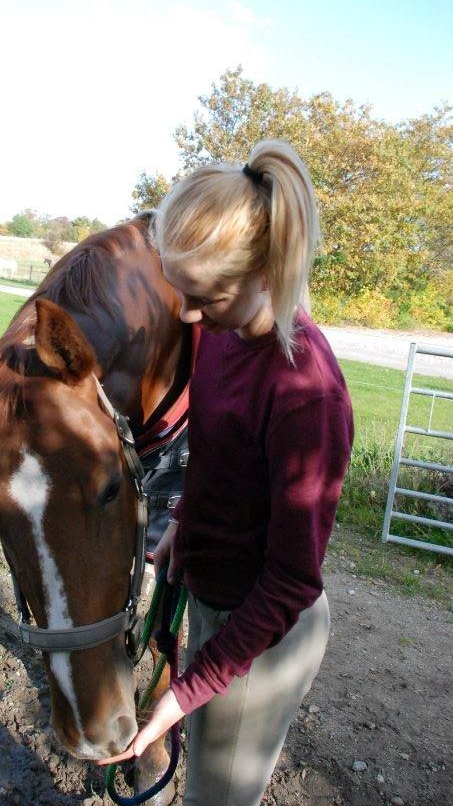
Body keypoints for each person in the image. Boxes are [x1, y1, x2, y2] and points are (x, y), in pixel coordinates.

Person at [99, 140, 354, 806]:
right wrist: (187, 524)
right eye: (180, 291)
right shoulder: (221, 331)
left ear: (264, 273)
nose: (187, 315)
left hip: (263, 632)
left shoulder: (305, 394)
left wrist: (182, 693)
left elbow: (291, 580)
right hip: (216, 602)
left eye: (203, 297)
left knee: (213, 798)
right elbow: (218, 456)